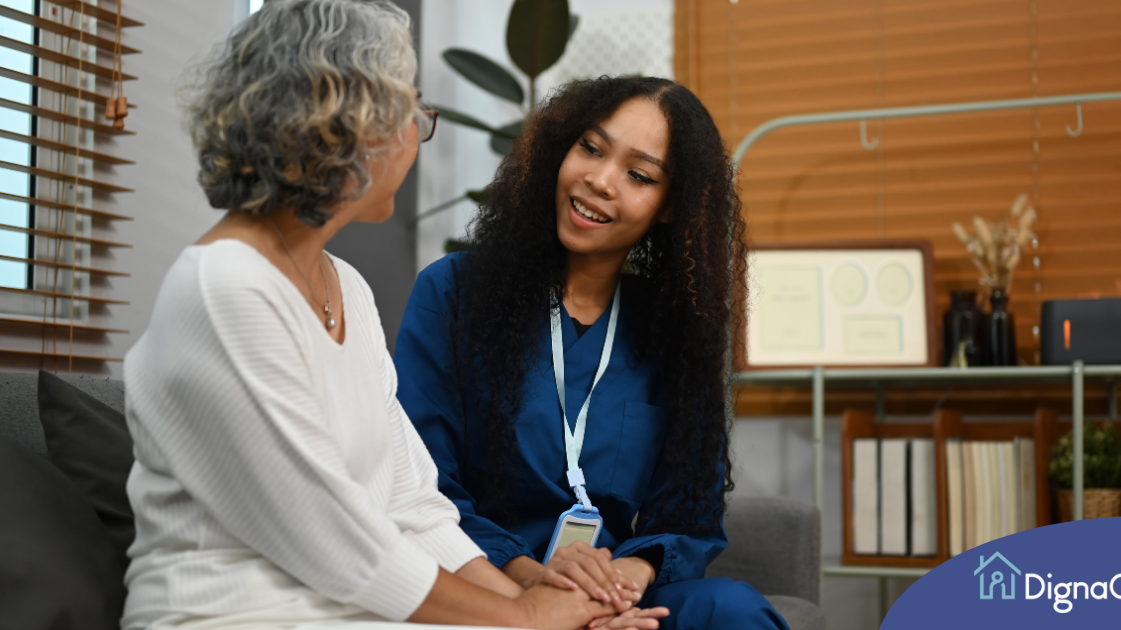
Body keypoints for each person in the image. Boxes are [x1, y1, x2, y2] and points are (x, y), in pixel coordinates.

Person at [121, 2, 661, 629]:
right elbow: (336, 546)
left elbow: (415, 506)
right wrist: (527, 621)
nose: (418, 130)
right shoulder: (225, 287)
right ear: (344, 125)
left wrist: (534, 606)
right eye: (412, 111)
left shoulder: (345, 286)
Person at [394, 76, 789, 630]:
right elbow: (421, 482)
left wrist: (627, 578)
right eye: (591, 148)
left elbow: (689, 508)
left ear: (669, 206)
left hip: (617, 597)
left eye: (639, 174)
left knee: (733, 610)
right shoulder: (453, 294)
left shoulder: (676, 331)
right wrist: (536, 585)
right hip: (491, 588)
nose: (600, 180)